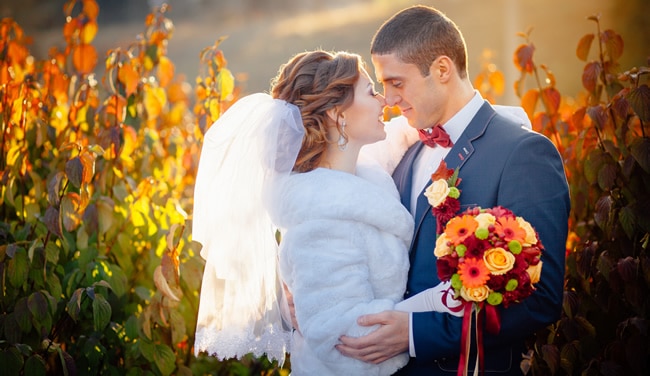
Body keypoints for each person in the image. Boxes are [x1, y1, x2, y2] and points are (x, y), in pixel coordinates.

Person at [192, 50, 463, 376]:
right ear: (338, 114)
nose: (384, 101)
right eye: (369, 91)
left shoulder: (360, 173)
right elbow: (349, 341)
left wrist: (494, 120)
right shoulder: (321, 223)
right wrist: (440, 300)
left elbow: (401, 134)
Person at [336, 5, 571, 375]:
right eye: (382, 86)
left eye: (397, 82)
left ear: (442, 69)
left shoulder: (523, 153)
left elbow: (540, 298)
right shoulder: (403, 154)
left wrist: (414, 333)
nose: (389, 99)